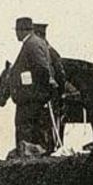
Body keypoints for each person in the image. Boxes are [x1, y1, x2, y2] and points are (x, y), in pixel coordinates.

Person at [8, 16, 55, 151]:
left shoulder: (31, 44)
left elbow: (42, 69)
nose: (16, 34)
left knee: (26, 133)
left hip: (30, 99)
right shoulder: (38, 42)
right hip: (34, 98)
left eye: (17, 30)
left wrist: (37, 90)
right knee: (34, 134)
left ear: (22, 30)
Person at [33, 21, 66, 149]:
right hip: (42, 96)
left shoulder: (51, 52)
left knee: (51, 125)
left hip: (50, 96)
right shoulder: (47, 51)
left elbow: (60, 73)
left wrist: (60, 92)